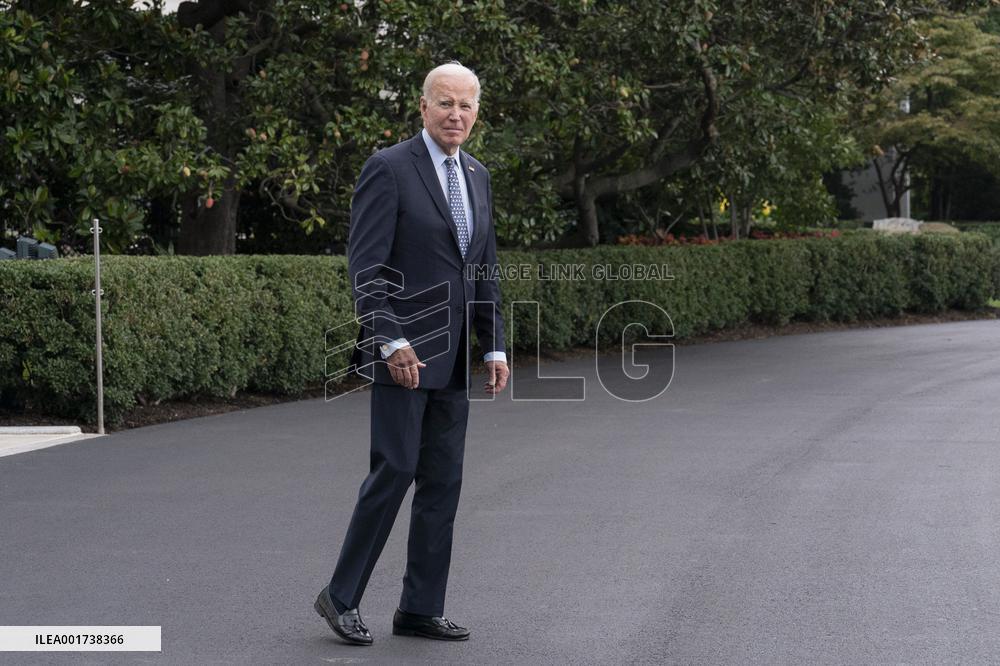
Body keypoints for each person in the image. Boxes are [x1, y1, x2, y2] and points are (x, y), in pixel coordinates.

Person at [314, 62, 509, 645]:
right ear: (423, 107)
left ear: (477, 113)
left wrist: (494, 345)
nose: (456, 114)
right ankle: (340, 596)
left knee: (442, 483)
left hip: (453, 361)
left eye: (466, 105)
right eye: (445, 103)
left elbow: (484, 269)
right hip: (402, 356)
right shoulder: (389, 168)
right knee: (395, 471)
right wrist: (390, 339)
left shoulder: (476, 174)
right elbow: (366, 267)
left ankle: (421, 608)